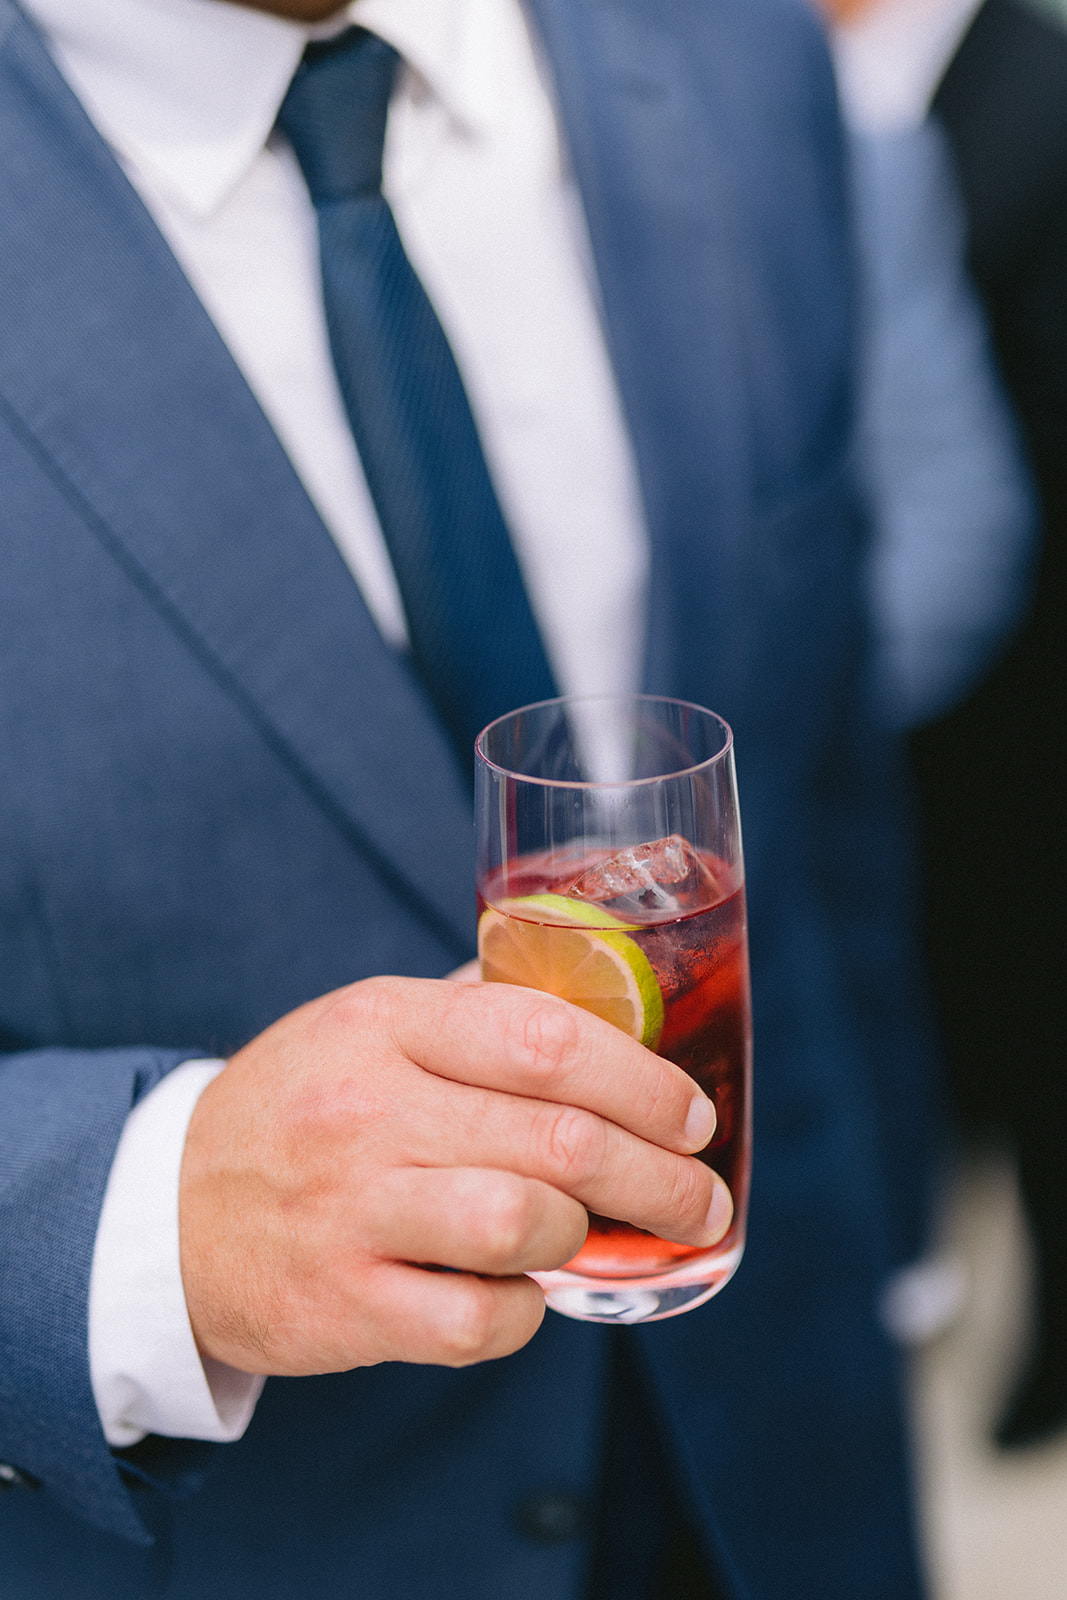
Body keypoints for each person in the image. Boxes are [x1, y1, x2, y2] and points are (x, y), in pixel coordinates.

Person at [0, 0, 943, 1594]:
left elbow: (825, 773)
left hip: (789, 1460)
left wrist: (894, 1253)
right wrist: (145, 1221)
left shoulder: (732, 46)